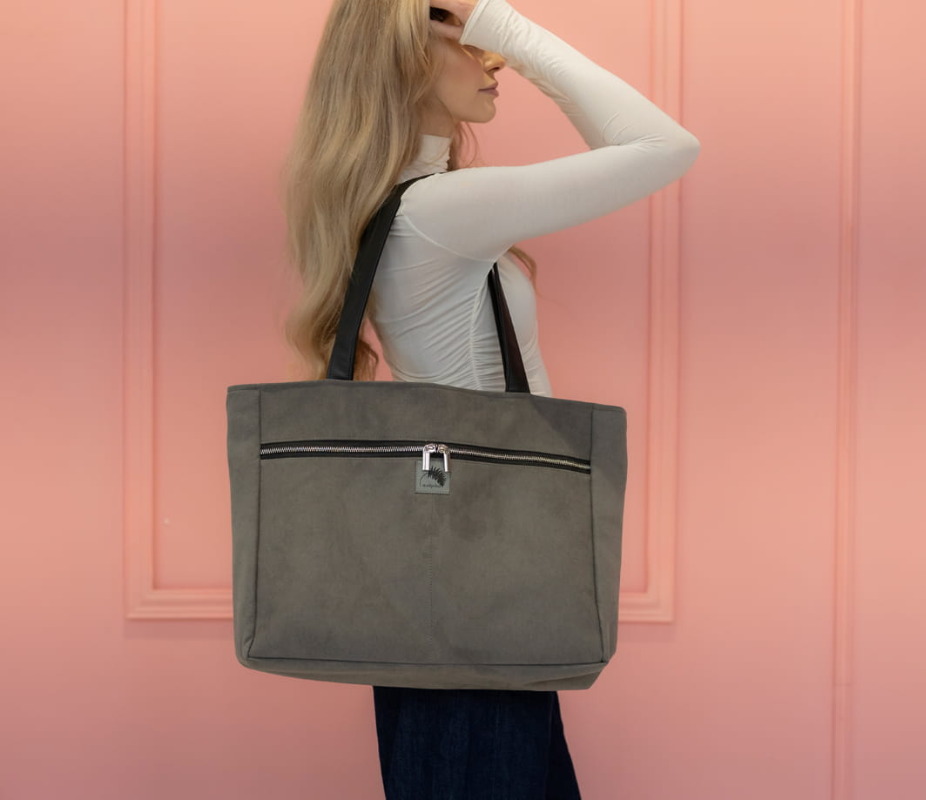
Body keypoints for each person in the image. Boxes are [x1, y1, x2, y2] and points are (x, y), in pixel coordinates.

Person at [279, 0, 699, 796]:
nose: (492, 60)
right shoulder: (437, 213)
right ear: (402, 58)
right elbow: (666, 146)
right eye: (465, 38)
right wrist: (502, 23)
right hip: (481, 575)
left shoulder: (413, 206)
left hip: (453, 577)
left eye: (487, 40)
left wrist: (467, 25)